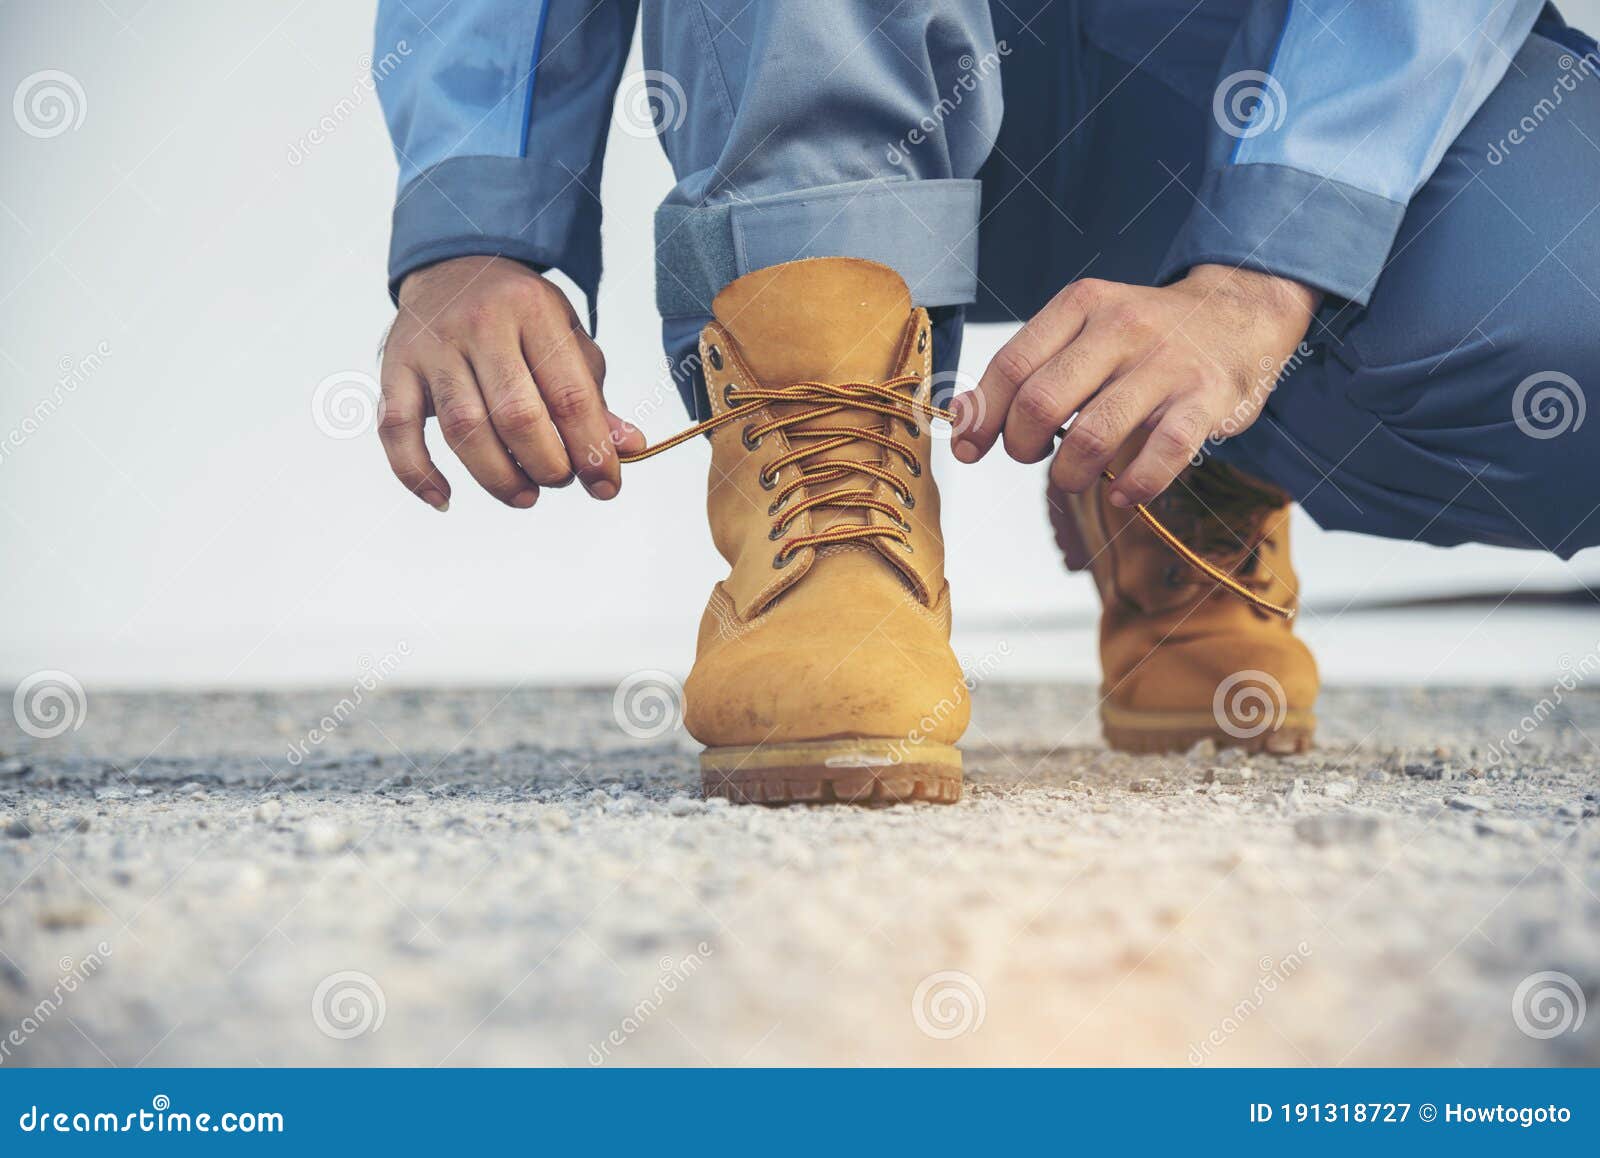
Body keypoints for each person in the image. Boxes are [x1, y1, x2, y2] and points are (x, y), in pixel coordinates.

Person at [373, 1, 1600, 803]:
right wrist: (475, 221)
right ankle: (831, 470)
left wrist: (1268, 273)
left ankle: (1179, 455)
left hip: (1249, 71)